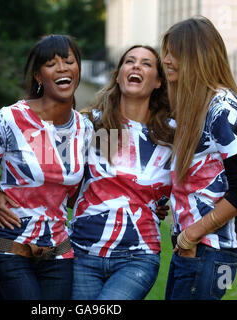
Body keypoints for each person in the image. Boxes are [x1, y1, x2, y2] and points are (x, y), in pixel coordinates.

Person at [0, 34, 93, 300]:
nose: (62, 68)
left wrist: (155, 201)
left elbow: (83, 191)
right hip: (10, 246)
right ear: (38, 76)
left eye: (69, 61)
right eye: (51, 64)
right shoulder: (11, 118)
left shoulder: (84, 128)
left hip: (59, 251)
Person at [161, 16, 237, 300]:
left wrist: (191, 235)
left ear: (196, 56)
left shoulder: (222, 109)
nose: (165, 60)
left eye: (173, 53)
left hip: (210, 251)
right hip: (194, 248)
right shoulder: (193, 106)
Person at [69, 45, 174, 300]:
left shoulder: (170, 135)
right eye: (130, 61)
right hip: (83, 253)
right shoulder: (91, 125)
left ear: (159, 82)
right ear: (118, 75)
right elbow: (64, 183)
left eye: (146, 64)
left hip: (138, 255)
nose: (137, 66)